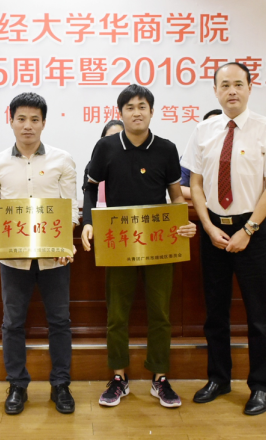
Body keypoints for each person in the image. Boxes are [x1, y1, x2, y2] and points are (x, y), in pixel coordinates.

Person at [182, 62, 266, 415]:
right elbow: (195, 184)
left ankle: (260, 386)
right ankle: (219, 378)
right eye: (225, 85)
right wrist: (207, 226)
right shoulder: (203, 130)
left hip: (252, 230)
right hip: (213, 229)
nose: (232, 91)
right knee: (215, 312)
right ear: (215, 91)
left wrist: (248, 230)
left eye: (238, 84)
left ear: (249, 88)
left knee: (258, 314)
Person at [81, 84, 196, 409]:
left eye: (142, 106)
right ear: (120, 113)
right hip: (119, 241)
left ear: (151, 111)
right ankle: (119, 377)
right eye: (129, 107)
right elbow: (89, 188)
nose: (136, 112)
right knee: (117, 314)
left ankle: (160, 377)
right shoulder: (106, 147)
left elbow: (176, 195)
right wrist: (88, 220)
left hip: (159, 241)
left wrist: (184, 221)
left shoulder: (166, 148)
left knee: (160, 313)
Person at [0, 92, 79, 415]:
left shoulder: (62, 160)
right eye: (21, 119)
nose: (28, 125)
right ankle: (17, 385)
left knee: (59, 322)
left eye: (34, 119)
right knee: (13, 323)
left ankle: (60, 385)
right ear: (11, 121)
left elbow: (71, 209)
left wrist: (66, 242)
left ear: (44, 123)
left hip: (54, 258)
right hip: (13, 259)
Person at [181, 109, 222, 200]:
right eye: (209, 126)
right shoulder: (191, 156)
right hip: (198, 205)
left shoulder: (236, 156)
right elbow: (181, 189)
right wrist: (206, 195)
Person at [81, 119, 124, 195]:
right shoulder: (92, 166)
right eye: (110, 138)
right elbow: (88, 192)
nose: (114, 142)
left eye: (118, 138)